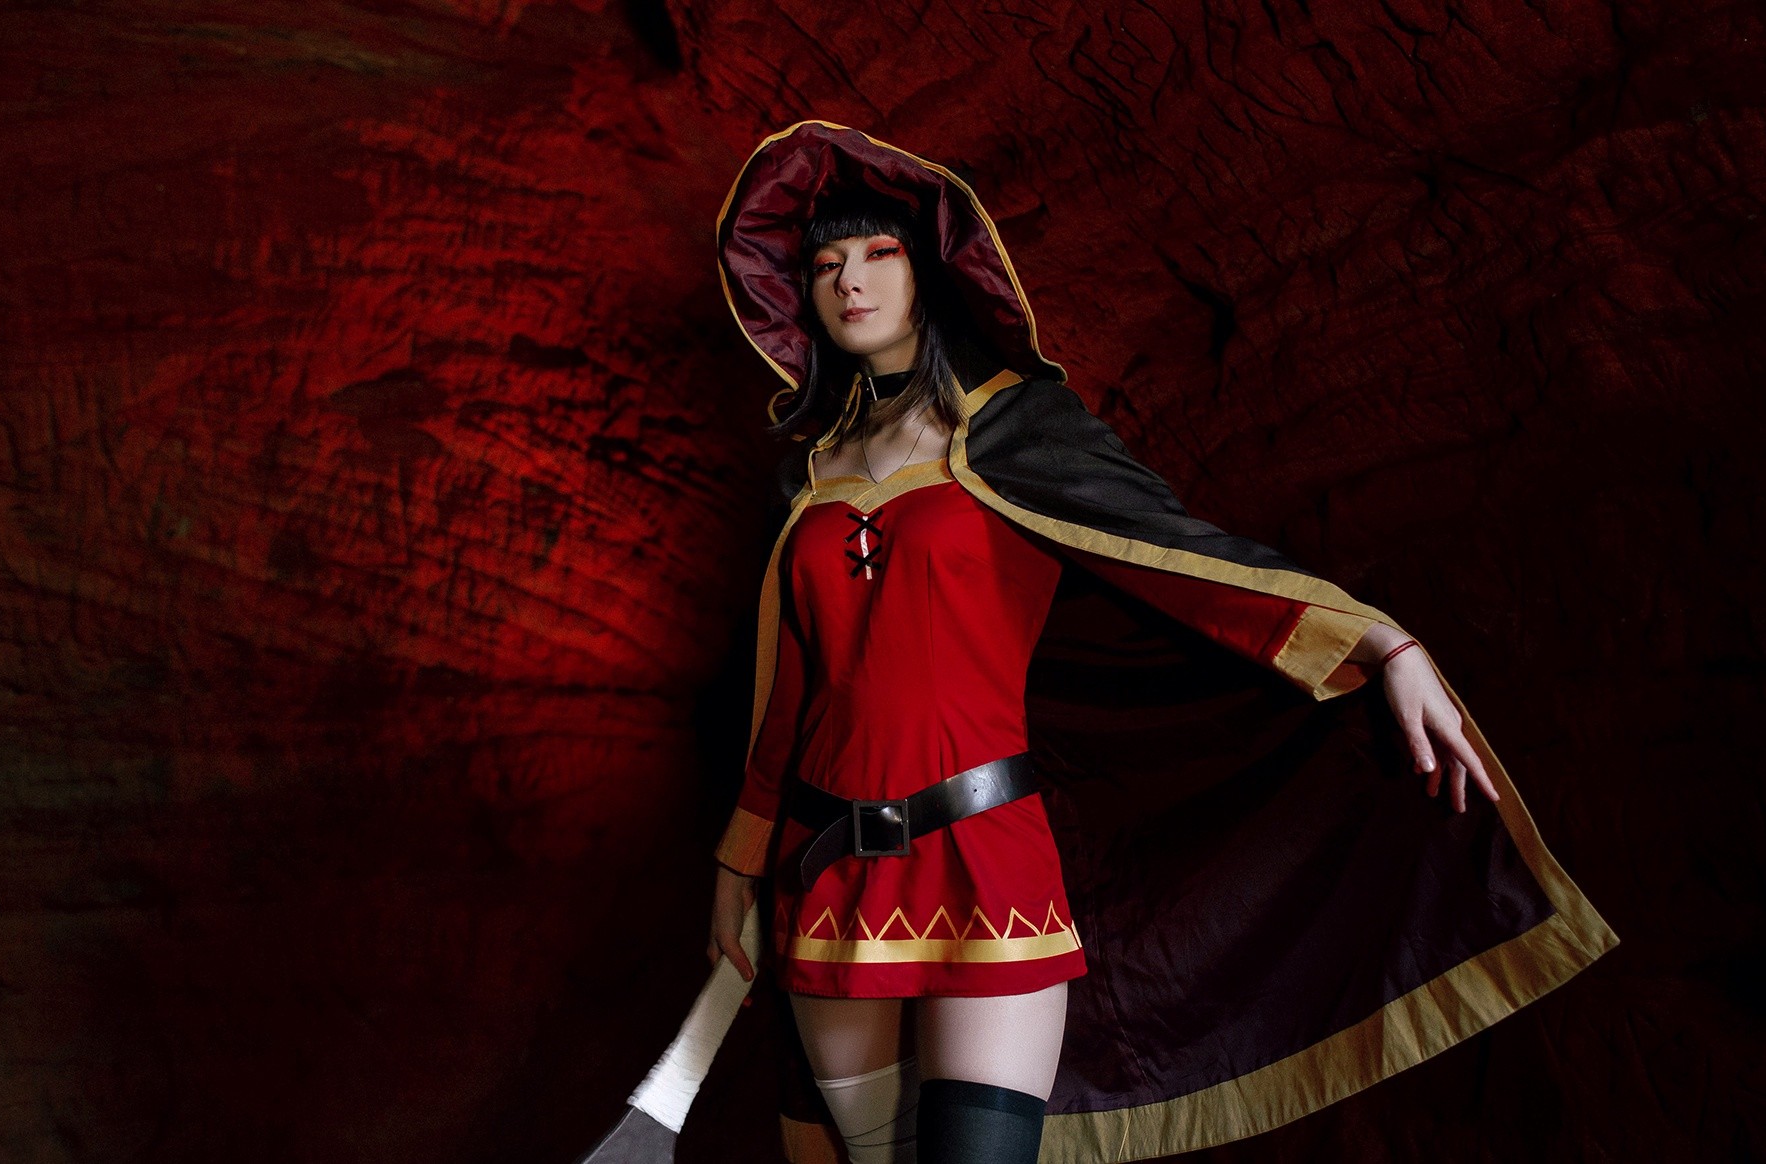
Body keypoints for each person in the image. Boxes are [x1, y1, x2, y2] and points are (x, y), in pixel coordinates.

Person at [573, 121, 1616, 1164]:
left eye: (879, 252)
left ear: (929, 269)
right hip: (830, 873)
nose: (851, 281)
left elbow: (1186, 558)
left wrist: (1384, 645)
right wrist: (739, 861)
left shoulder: (1021, 430)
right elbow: (793, 692)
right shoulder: (809, 475)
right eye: (825, 263)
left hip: (988, 858)